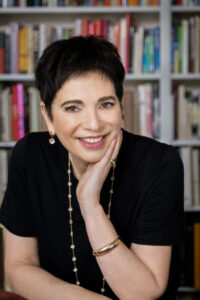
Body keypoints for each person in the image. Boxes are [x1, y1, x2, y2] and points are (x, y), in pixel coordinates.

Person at [0, 35, 184, 300]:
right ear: (48, 116)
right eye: (73, 108)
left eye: (106, 104)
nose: (94, 124)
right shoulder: (29, 156)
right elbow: (17, 269)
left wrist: (89, 205)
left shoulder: (159, 164)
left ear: (122, 107)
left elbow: (144, 292)